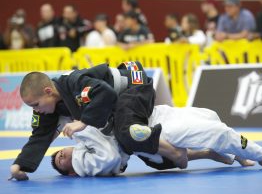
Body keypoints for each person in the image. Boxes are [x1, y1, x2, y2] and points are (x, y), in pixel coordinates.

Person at [9, 61, 186, 181]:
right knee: (146, 155)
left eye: (36, 104)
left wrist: (83, 122)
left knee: (128, 134)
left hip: (134, 86)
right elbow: (40, 136)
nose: (36, 110)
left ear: (48, 91)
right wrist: (20, 165)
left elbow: (106, 93)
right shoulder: (48, 107)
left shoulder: (73, 81)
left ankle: (176, 153)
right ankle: (193, 154)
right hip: (116, 104)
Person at [51, 105, 262, 177]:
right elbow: (110, 156)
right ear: (71, 171)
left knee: (210, 114)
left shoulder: (78, 135)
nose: (60, 156)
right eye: (60, 162)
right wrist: (79, 128)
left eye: (59, 152)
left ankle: (235, 152)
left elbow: (58, 117)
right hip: (150, 131)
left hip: (150, 113)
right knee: (217, 132)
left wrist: (75, 126)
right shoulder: (87, 164)